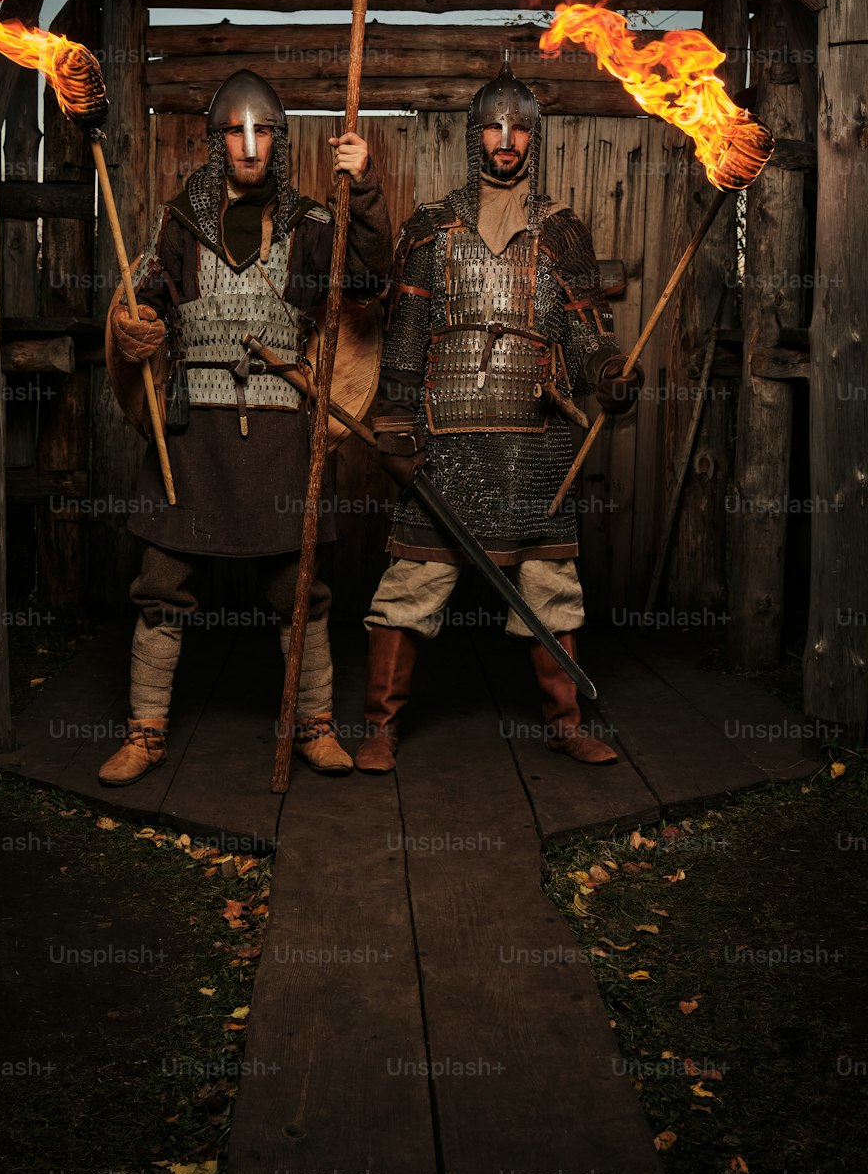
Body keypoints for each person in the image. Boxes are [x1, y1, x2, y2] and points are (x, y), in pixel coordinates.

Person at [98, 69, 392, 786]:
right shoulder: (178, 223)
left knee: (299, 587)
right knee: (162, 580)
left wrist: (370, 188)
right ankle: (146, 730)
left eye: (264, 132)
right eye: (237, 131)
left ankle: (314, 725)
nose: (250, 145)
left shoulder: (317, 224)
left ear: (281, 143)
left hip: (285, 432)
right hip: (191, 434)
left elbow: (366, 285)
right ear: (216, 141)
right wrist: (135, 329)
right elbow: (144, 304)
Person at [356, 59, 642, 774]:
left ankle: (565, 721)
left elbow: (584, 337)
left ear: (533, 139)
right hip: (444, 438)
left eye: (518, 127)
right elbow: (405, 338)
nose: (506, 138)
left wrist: (610, 374)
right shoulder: (430, 228)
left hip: (533, 439)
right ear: (474, 135)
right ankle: (381, 727)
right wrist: (393, 420)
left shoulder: (561, 233)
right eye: (493, 125)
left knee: (550, 587)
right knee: (409, 587)